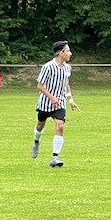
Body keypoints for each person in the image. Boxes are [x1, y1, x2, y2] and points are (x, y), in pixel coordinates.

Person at [33, 41, 78, 169]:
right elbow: (40, 86)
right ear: (61, 53)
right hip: (45, 103)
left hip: (60, 103)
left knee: (60, 126)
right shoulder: (48, 67)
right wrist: (52, 97)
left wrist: (70, 100)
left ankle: (55, 157)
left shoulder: (68, 68)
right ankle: (36, 141)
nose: (70, 53)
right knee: (40, 125)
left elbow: (66, 84)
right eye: (68, 51)